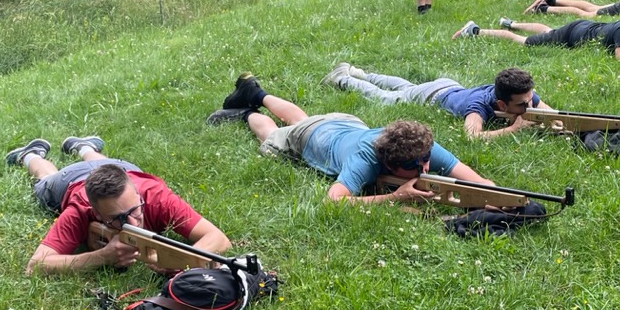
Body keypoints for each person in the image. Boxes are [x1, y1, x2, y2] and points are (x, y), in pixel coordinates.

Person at [206, 73, 493, 204]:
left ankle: (255, 92)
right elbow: (334, 201)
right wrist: (395, 196)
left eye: (426, 162)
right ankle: (246, 111)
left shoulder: (420, 147)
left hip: (344, 123)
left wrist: (497, 196)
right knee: (273, 134)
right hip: (311, 137)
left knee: (303, 117)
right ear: (390, 165)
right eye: (416, 168)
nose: (426, 169)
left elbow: (475, 180)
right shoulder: (365, 160)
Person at [5, 135, 231, 276]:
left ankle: (83, 146)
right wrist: (103, 257)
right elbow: (35, 266)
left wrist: (181, 261)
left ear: (136, 192)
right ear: (96, 213)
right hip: (69, 180)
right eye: (118, 218)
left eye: (135, 210)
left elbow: (219, 239)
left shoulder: (156, 196)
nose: (133, 222)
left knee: (102, 163)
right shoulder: (80, 210)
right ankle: (30, 155)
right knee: (45, 177)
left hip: (119, 166)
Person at [321, 63, 552, 140]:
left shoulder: (523, 96)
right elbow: (472, 137)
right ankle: (343, 78)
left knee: (406, 86)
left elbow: (553, 113)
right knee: (388, 97)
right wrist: (513, 128)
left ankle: (362, 73)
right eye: (522, 106)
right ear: (501, 105)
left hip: (448, 85)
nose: (528, 108)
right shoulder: (478, 106)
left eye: (530, 101)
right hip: (432, 96)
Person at [451, 3, 620, 60]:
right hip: (574, 34)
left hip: (582, 28)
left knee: (549, 30)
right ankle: (475, 30)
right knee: (524, 42)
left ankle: (511, 22)